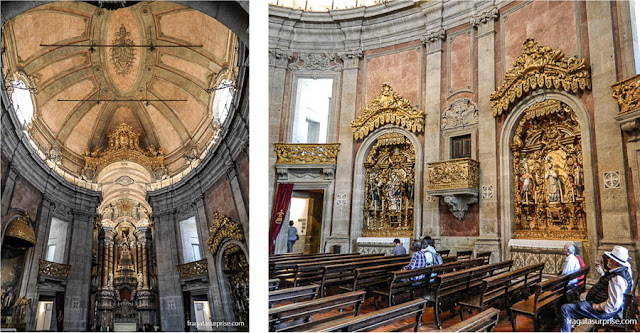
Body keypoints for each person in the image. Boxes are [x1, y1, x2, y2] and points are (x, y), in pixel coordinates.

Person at [560, 246, 633, 332]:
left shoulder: (616, 279)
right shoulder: (622, 272)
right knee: (576, 303)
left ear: (614, 261)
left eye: (610, 258)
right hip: (602, 305)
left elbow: (613, 305)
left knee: (565, 308)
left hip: (604, 314)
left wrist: (597, 306)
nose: (608, 259)